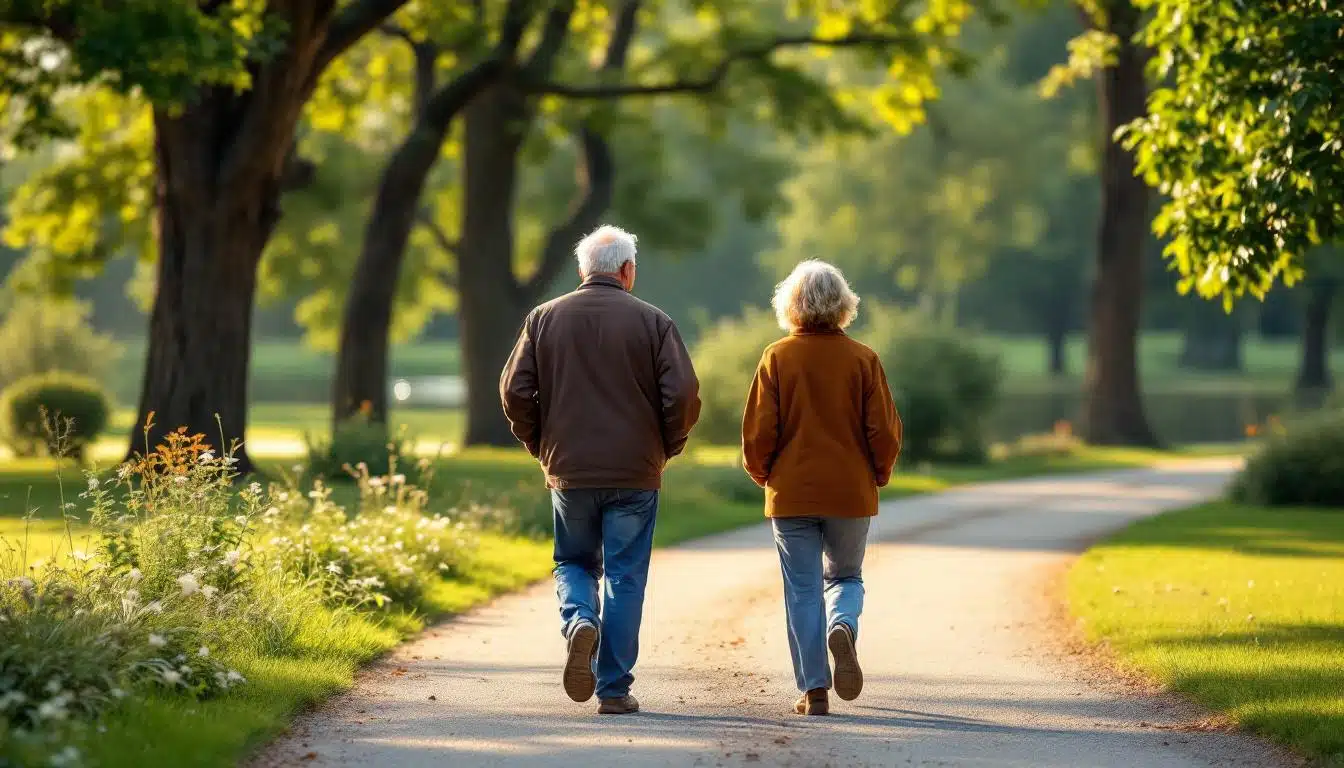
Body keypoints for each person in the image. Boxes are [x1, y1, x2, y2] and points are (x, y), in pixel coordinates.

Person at [500, 224, 701, 715]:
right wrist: (667, 447)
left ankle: (579, 621)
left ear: (582, 270)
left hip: (570, 470)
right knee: (625, 577)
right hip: (635, 472)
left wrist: (540, 444)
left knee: (573, 561)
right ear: (627, 271)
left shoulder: (543, 319)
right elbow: (683, 395)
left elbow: (514, 391)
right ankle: (613, 689)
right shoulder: (654, 322)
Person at [741, 260, 903, 716]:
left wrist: (763, 475)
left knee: (802, 589)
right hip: (850, 491)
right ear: (843, 304)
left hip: (791, 493)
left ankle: (814, 689)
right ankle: (843, 624)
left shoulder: (777, 357)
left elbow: (759, 432)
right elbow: (884, 431)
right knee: (846, 577)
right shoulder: (863, 359)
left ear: (791, 304)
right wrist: (879, 473)